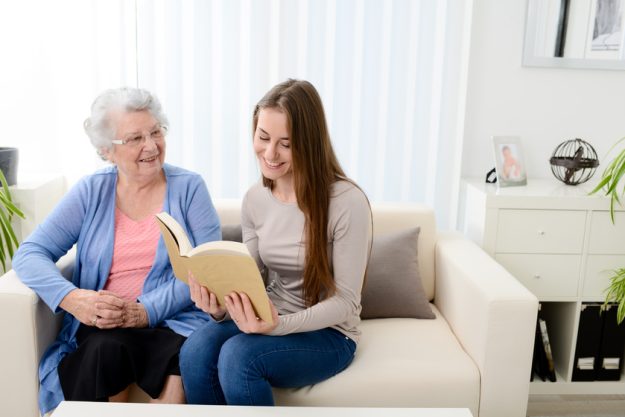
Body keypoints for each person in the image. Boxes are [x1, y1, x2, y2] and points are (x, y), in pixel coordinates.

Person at [12, 87, 221, 414]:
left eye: (155, 132)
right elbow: (30, 254)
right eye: (135, 138)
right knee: (105, 350)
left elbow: (208, 268)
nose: (151, 146)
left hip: (173, 322)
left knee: (183, 359)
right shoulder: (90, 191)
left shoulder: (189, 188)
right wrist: (74, 299)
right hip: (106, 326)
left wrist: (143, 311)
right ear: (106, 151)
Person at [179, 79, 372, 405]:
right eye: (263, 137)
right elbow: (250, 278)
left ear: (309, 143)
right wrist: (220, 309)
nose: (269, 153)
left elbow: (346, 302)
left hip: (331, 334)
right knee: (194, 351)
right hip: (271, 317)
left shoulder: (346, 201)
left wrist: (278, 326)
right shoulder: (255, 199)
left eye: (286, 143)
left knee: (239, 358)